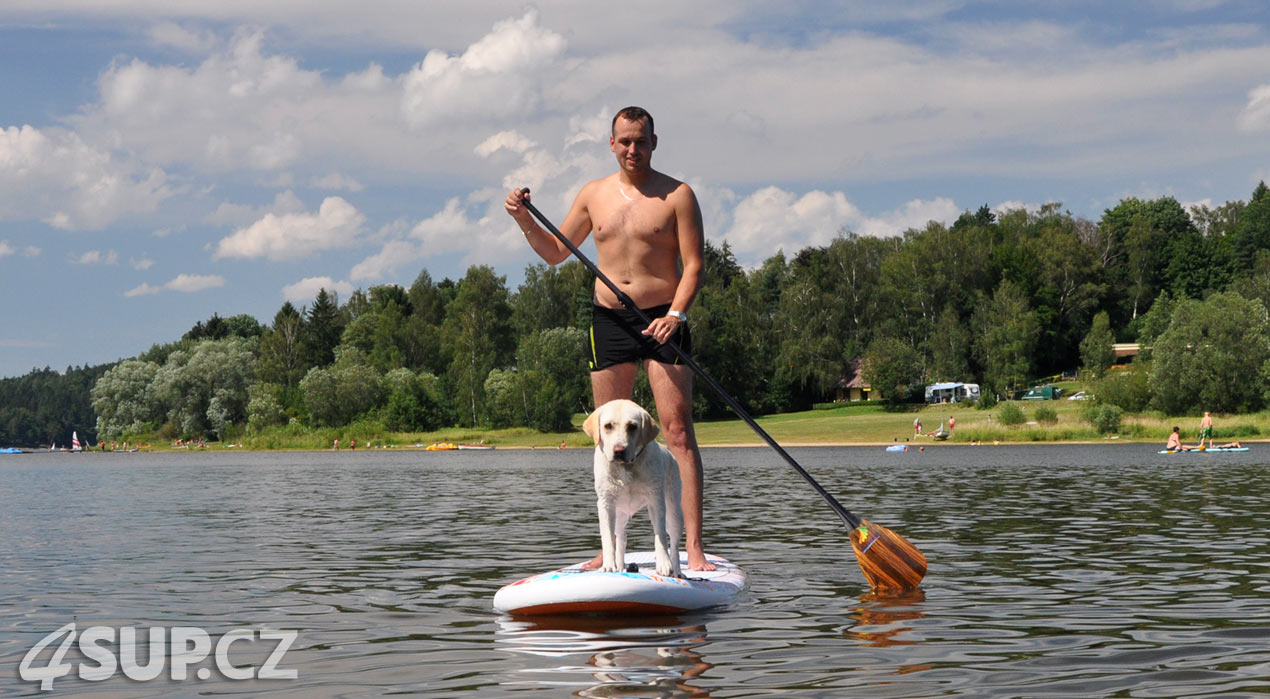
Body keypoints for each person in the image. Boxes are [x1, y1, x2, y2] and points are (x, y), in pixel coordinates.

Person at [505, 106, 713, 571]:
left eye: (641, 141)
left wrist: (676, 314)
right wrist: (523, 218)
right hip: (609, 321)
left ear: (654, 142)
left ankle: (693, 548)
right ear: (612, 143)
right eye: (624, 141)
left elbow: (694, 265)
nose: (632, 150)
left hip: (664, 318)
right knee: (606, 438)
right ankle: (609, 549)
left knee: (677, 433)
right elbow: (556, 253)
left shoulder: (678, 195)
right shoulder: (593, 195)